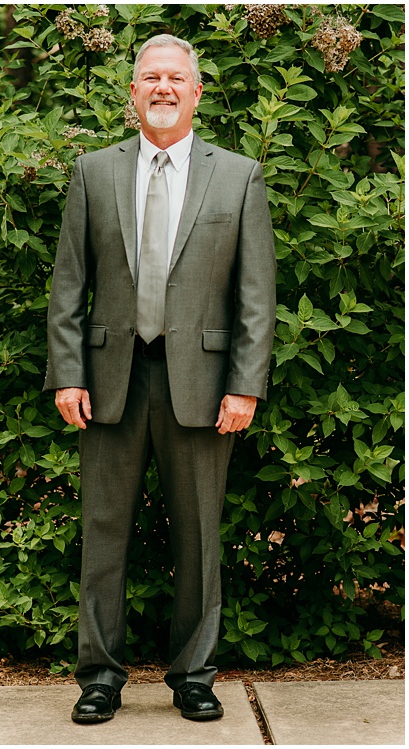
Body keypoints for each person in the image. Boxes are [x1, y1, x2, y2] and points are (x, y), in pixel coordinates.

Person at [44, 34, 276, 724]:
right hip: (111, 379)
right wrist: (67, 374)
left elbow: (255, 295)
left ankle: (195, 673)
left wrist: (246, 385)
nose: (164, 88)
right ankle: (99, 676)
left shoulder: (238, 176)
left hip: (203, 384)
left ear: (197, 92)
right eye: (151, 77)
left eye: (177, 78)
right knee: (103, 532)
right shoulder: (93, 172)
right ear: (133, 93)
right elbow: (69, 285)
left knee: (200, 537)